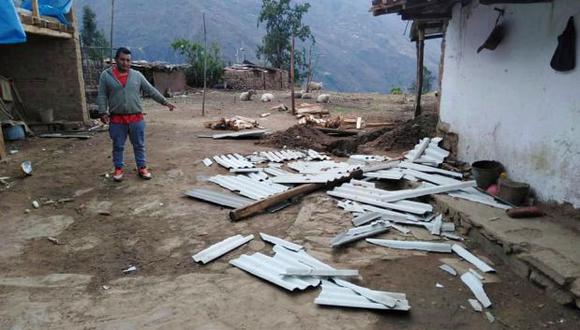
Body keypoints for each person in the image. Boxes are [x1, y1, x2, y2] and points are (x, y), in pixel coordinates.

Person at [97, 47, 176, 182]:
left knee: (139, 145)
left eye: (128, 60)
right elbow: (102, 95)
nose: (125, 63)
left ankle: (142, 168)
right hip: (117, 119)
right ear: (116, 60)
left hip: (136, 118)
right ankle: (118, 169)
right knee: (118, 146)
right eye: (122, 60)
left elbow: (151, 90)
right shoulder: (106, 75)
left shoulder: (137, 76)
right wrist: (103, 111)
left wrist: (165, 102)